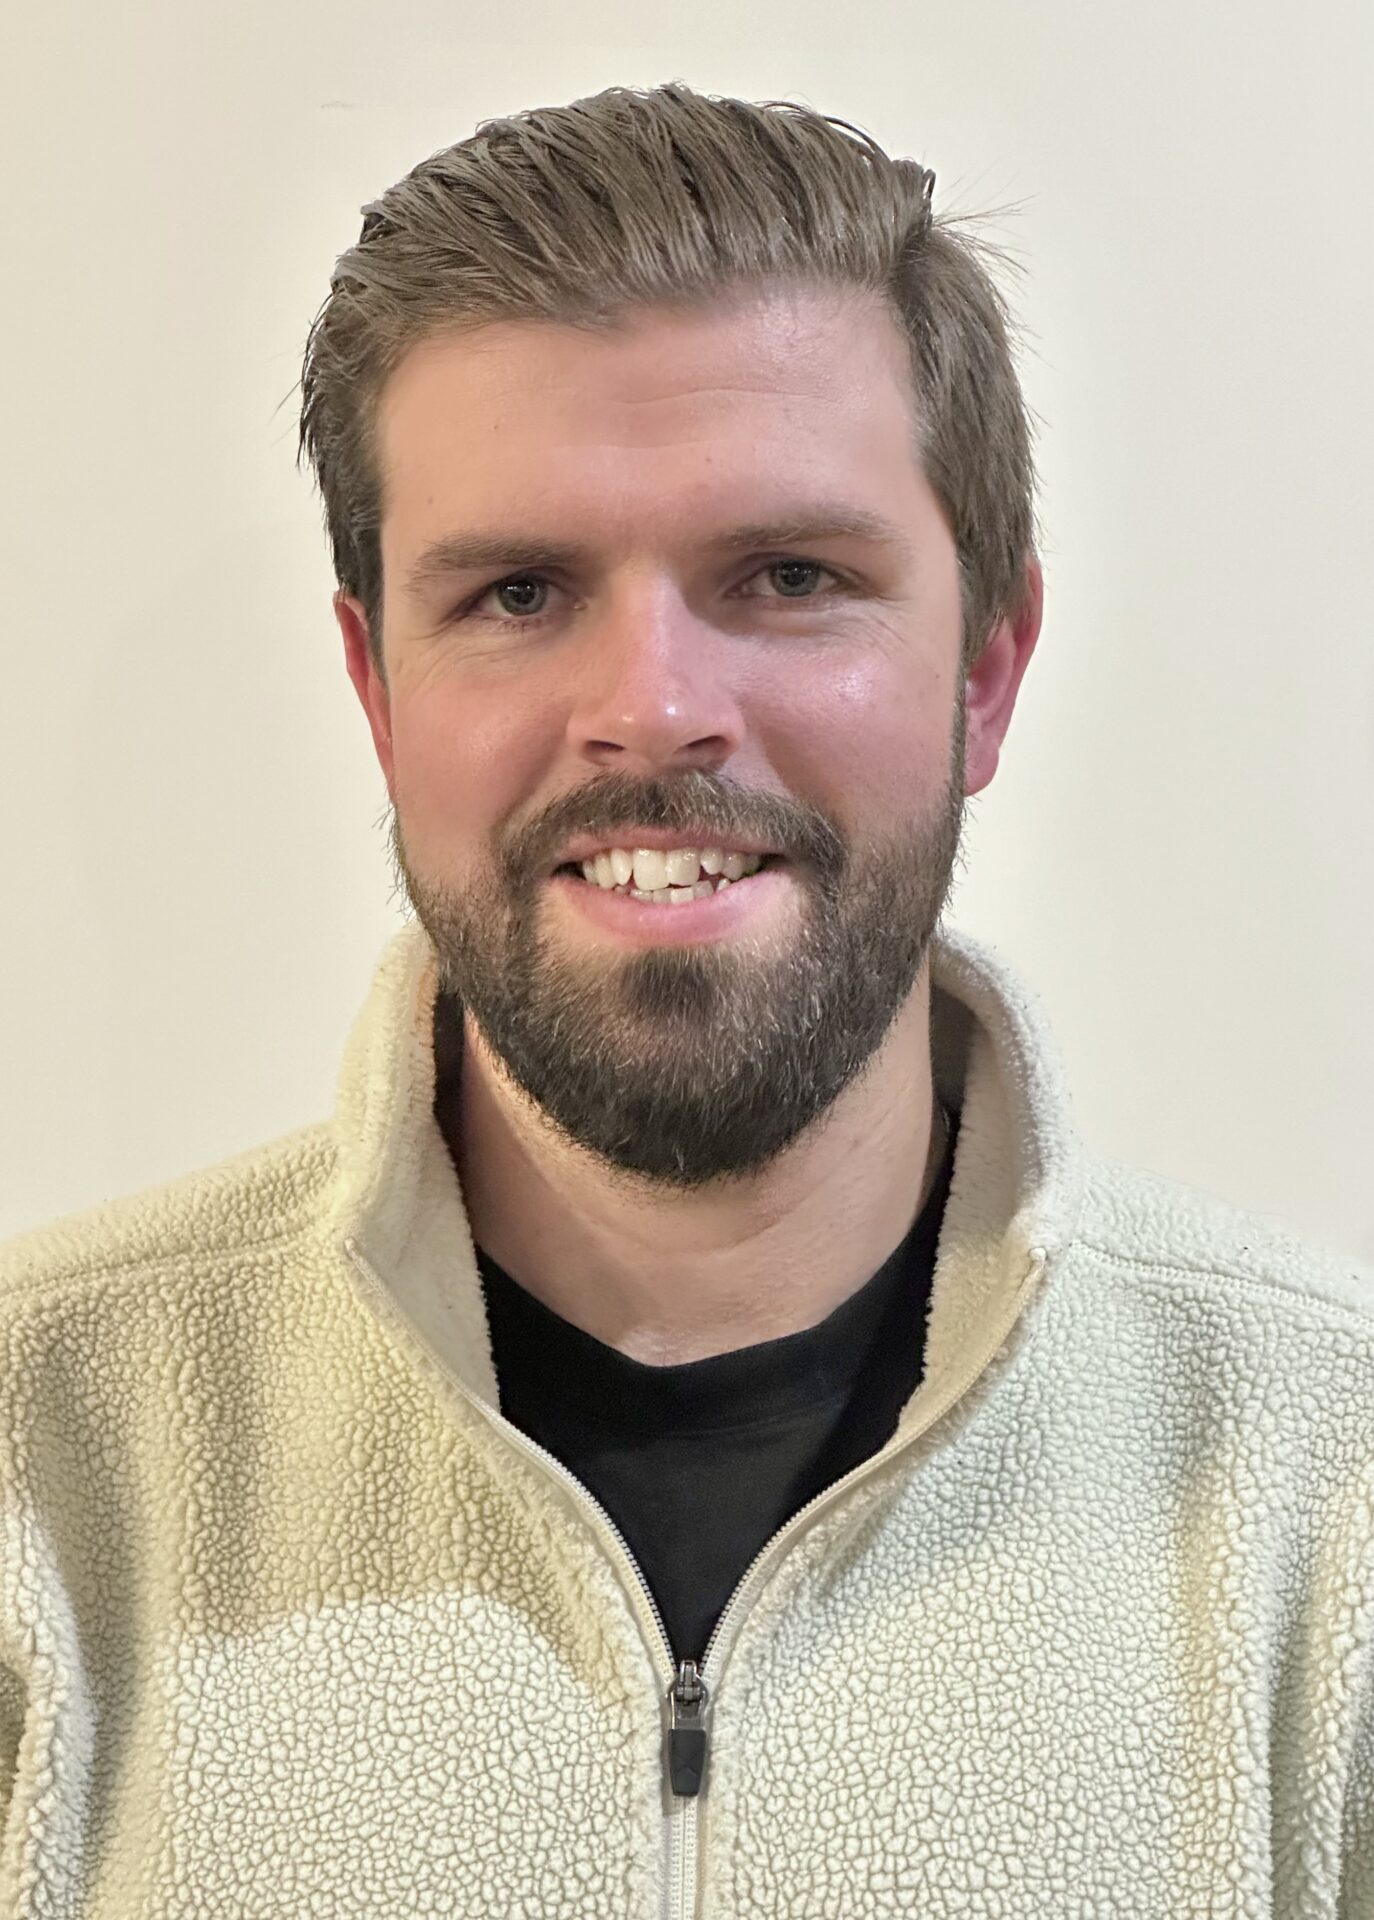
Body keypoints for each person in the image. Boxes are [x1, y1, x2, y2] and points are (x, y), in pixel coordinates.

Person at [1, 82, 1371, 1920]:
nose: (651, 707)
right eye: (515, 593)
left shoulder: (1328, 1485)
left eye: (791, 578)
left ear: (987, 668)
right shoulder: (39, 1463)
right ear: (376, 688)